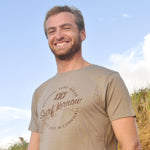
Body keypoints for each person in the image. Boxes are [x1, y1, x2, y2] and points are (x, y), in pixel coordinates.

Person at [28, 5, 141, 150]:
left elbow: (131, 144)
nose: (58, 35)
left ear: (82, 34)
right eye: (52, 31)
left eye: (66, 28)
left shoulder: (107, 79)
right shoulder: (40, 92)